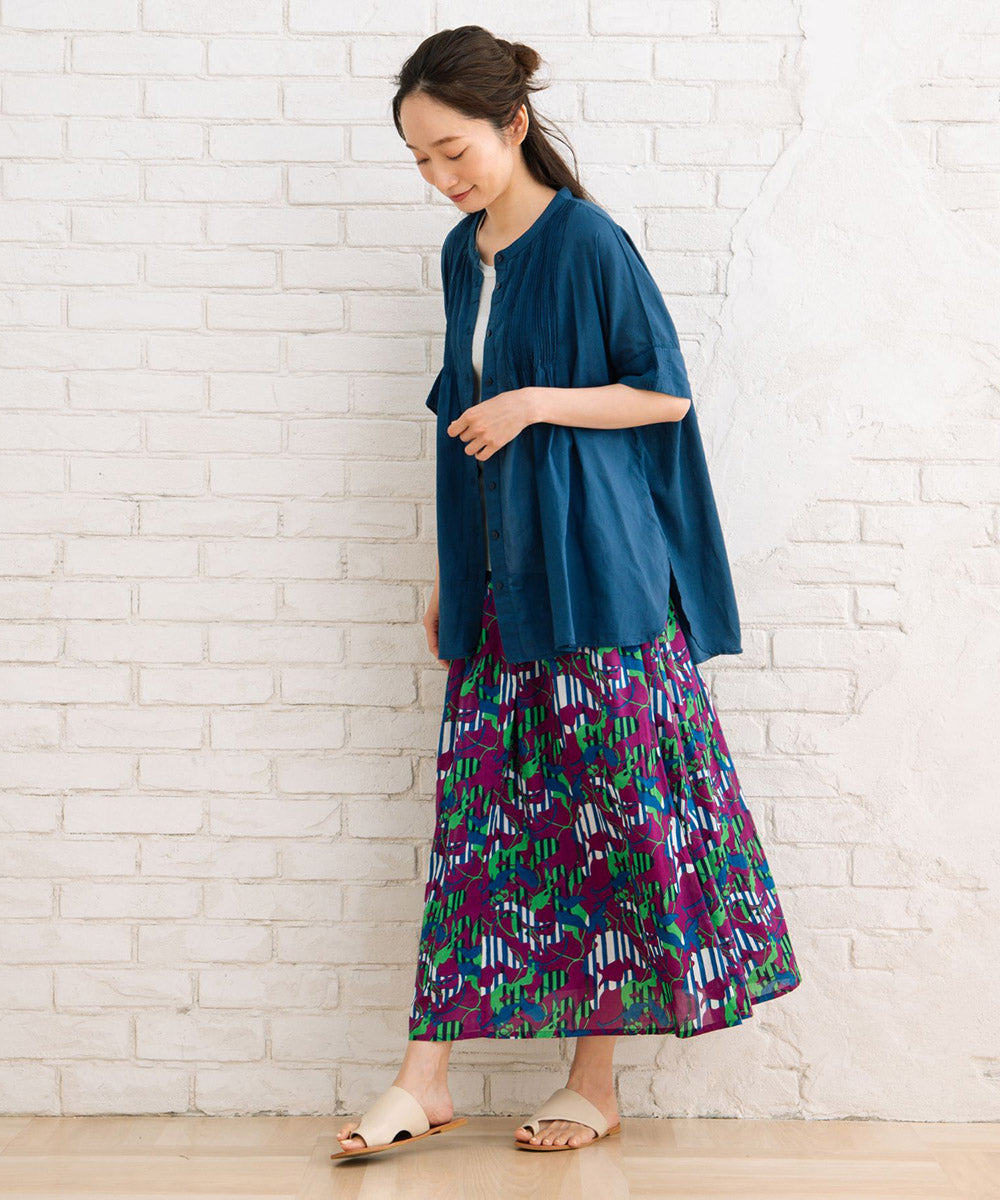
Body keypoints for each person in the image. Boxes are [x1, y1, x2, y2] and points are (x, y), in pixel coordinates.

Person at [334, 25, 802, 1161]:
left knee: (611, 827)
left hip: (600, 580)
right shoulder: (463, 256)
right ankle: (424, 1077)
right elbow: (461, 430)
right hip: (503, 586)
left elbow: (664, 394)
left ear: (513, 124)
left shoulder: (589, 241)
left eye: (453, 152)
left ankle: (593, 1084)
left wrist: (538, 400)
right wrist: (453, 574)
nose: (440, 178)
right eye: (420, 161)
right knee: (478, 828)